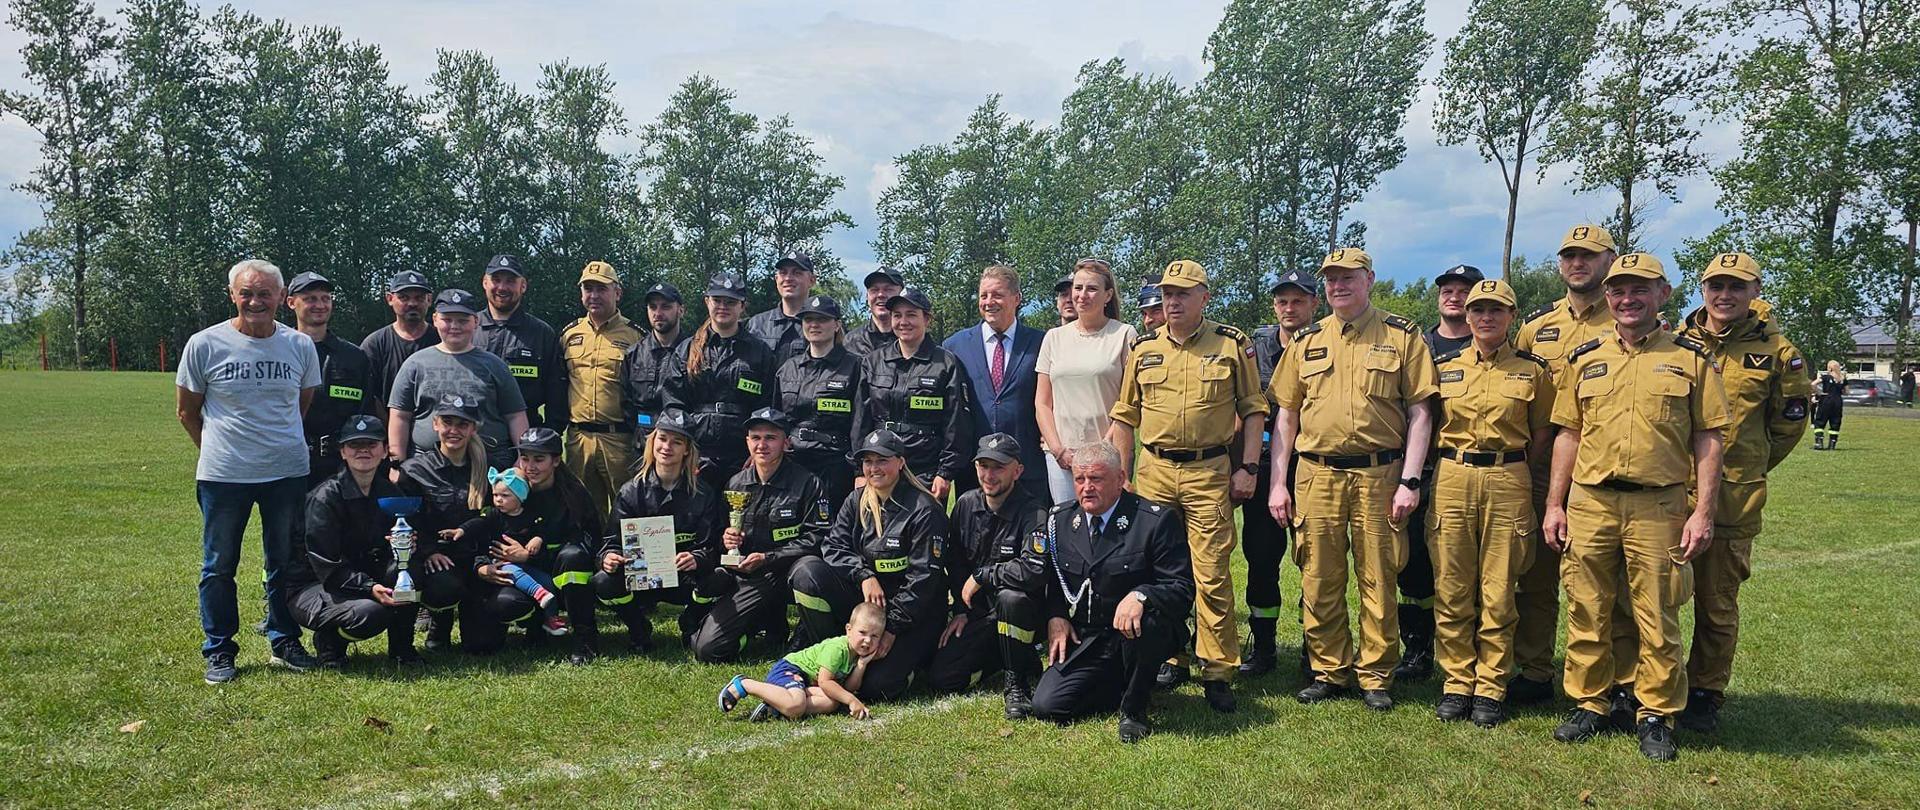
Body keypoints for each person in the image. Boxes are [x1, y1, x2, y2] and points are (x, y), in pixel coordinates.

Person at [1541, 252, 1728, 762]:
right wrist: (1555, 504)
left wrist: (1702, 511)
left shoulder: (1690, 359)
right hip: (1591, 502)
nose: (1628, 299)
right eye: (1619, 290)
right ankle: (1590, 702)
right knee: (1587, 607)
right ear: (1608, 296)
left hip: (1658, 504)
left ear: (1663, 294)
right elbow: (1568, 434)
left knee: (1658, 612)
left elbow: (1709, 438)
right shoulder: (1585, 359)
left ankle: (1656, 713)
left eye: (1640, 289)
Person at [1267, 247, 1438, 712]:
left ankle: (1376, 674)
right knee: (1318, 575)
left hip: (1380, 473)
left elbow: (1421, 413)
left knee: (1378, 575)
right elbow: (1286, 416)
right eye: (1331, 279)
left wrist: (1410, 480)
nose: (1338, 286)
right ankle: (1329, 670)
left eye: (1348, 277)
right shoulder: (1306, 341)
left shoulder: (1401, 336)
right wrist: (1278, 483)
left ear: (1370, 280)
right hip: (1316, 474)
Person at [1108, 260, 1264, 713]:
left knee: (1211, 571)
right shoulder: (1143, 348)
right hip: (1155, 471)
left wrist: (1248, 467)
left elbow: (1254, 409)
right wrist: (1123, 474)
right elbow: (1125, 416)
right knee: (1156, 570)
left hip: (1208, 471)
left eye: (1182, 294)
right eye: (1167, 294)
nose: (1172, 302)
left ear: (1204, 298)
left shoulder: (1232, 344)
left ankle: (1217, 669)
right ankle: (1169, 655)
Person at [1675, 253, 1810, 732]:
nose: (1725, 295)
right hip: (1669, 493)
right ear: (1702, 290)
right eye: (1716, 285)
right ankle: (1648, 685)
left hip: (1732, 499)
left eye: (1736, 286)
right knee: (1651, 598)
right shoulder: (1676, 341)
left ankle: (1704, 691)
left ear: (1755, 290)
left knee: (1717, 602)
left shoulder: (1778, 352)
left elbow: (1789, 425)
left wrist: (1746, 467)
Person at [176, 259, 324, 684]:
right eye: (247, 293)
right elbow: (187, 412)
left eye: (264, 294)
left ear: (281, 297)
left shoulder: (299, 345)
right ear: (232, 296)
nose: (255, 301)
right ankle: (219, 649)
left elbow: (301, 404)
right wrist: (222, 451)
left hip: (286, 473)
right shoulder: (204, 344)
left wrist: (274, 444)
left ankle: (284, 640)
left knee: (283, 562)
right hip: (224, 476)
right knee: (219, 565)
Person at [1426, 279, 1555, 727]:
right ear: (1467, 316)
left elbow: (1543, 433)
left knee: (1499, 589)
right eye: (1478, 310)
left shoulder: (1533, 370)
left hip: (1508, 476)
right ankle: (1457, 681)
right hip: (1453, 476)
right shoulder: (1443, 367)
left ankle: (1491, 686)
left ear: (1511, 317)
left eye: (1496, 310)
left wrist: (1513, 466)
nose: (1485, 317)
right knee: (1453, 585)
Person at [1014, 441, 1193, 743]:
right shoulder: (1060, 520)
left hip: (1140, 631)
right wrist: (1056, 616)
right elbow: (1055, 579)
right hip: (1089, 635)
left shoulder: (1154, 521)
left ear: (1120, 478)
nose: (1086, 488)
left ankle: (1134, 710)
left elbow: (1182, 587)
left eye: (1096, 478)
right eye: (1079, 479)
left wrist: (1141, 596)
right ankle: (1122, 682)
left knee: (1145, 623)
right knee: (1048, 706)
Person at [1509, 224, 1620, 705]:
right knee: (1534, 578)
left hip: (1602, 473)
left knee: (1602, 585)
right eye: (1570, 256)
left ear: (1610, 261)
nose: (1578, 263)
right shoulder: (1537, 328)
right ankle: (1535, 671)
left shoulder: (1627, 320)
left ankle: (1611, 681)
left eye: (1589, 256)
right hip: (1540, 469)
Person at [789, 429, 950, 701]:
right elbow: (833, 546)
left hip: (912, 614)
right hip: (867, 607)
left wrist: (892, 628)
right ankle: (833, 657)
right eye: (868, 461)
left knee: (877, 688)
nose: (874, 468)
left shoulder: (924, 509)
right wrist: (863, 575)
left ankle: (918, 661)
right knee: (807, 572)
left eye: (882, 460)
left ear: (901, 462)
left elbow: (923, 580)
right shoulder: (856, 499)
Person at [292, 414, 464, 668]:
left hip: (358, 574)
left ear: (384, 451)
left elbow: (406, 534)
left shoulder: (389, 492)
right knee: (369, 614)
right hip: (314, 583)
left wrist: (417, 548)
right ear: (343, 452)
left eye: (371, 444)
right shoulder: (325, 497)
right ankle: (330, 643)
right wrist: (369, 587)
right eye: (354, 444)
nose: (363, 450)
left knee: (408, 571)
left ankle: (402, 649)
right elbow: (326, 564)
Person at [1395, 263, 1487, 683]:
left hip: (1464, 468)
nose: (1454, 296)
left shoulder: (1490, 343)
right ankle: (1417, 647)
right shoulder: (1417, 344)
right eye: (1447, 290)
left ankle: (1474, 650)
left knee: (1467, 566)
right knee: (1412, 561)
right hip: (1417, 467)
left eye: (1464, 290)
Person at [579, 409, 730, 663]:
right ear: (652, 442)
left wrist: (696, 558)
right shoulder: (630, 491)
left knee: (719, 578)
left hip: (683, 578)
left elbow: (711, 546)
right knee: (603, 582)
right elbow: (610, 542)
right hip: (642, 577)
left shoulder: (703, 494)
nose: (667, 447)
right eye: (662, 438)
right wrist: (609, 557)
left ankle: (691, 620)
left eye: (677, 442)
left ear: (687, 450)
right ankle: (638, 627)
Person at [691, 408, 832, 660]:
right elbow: (719, 536)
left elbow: (818, 537)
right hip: (752, 576)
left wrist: (768, 558)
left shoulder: (809, 483)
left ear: (786, 443)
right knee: (708, 649)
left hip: (790, 571)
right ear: (747, 442)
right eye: (755, 437)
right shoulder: (735, 484)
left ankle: (810, 635)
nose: (762, 445)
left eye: (770, 438)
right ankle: (759, 623)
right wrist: (727, 540)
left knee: (809, 570)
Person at [928, 434, 1048, 715]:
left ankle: (1016, 684)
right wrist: (961, 610)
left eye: (999, 467)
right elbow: (956, 563)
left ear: (1017, 471)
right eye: (983, 466)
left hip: (1022, 614)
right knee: (943, 679)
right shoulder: (965, 504)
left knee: (1011, 597)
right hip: (980, 615)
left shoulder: (1034, 512)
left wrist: (984, 576)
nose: (989, 475)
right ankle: (1012, 656)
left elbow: (1034, 569)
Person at [1240, 269, 1318, 676]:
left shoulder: (1326, 344)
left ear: (1314, 305)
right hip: (1265, 465)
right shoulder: (1255, 350)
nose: (1290, 308)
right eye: (1283, 301)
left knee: (1315, 563)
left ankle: (1315, 648)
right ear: (1274, 306)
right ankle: (1264, 647)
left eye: (1298, 301)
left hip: (1312, 467)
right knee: (1261, 558)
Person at [462, 428, 597, 656]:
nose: (530, 466)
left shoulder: (574, 495)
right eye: (525, 458)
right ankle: (534, 627)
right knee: (483, 640)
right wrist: (481, 566)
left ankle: (585, 637)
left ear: (556, 460)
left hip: (559, 579)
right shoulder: (507, 488)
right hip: (513, 576)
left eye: (539, 459)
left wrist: (529, 556)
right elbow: (482, 532)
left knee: (573, 557)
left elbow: (588, 544)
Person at [850, 287, 972, 502]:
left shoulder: (946, 363)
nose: (903, 322)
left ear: (927, 319)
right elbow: (860, 420)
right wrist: (860, 470)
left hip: (926, 471)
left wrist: (946, 472)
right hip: (880, 467)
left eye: (911, 315)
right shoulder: (873, 362)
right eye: (897, 315)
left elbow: (956, 422)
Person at [662, 271, 779, 492]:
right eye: (717, 300)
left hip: (742, 457)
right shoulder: (686, 350)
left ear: (742, 306)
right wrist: (686, 451)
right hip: (697, 454)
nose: (723, 307)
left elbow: (767, 405)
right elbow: (674, 404)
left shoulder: (760, 352)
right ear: (707, 301)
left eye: (731, 302)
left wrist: (757, 450)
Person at [388, 289, 530, 469]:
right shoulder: (415, 364)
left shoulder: (495, 365)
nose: (454, 326)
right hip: (427, 466)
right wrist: (396, 463)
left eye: (463, 320)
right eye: (447, 320)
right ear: (435, 320)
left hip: (488, 463)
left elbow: (515, 415)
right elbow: (400, 416)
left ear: (476, 321)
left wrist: (522, 457)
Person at [1036, 258, 1136, 505]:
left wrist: (1103, 448)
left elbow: (1129, 402)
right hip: (1062, 459)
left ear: (1108, 295)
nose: (1082, 295)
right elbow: (1042, 403)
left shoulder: (1124, 335)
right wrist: (1058, 450)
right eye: (1078, 288)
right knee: (1068, 522)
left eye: (1091, 289)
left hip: (1109, 454)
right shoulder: (1053, 338)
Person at [944, 265, 1046, 498]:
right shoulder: (955, 346)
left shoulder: (1041, 343)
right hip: (975, 471)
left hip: (1027, 467)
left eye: (997, 295)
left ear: (1017, 298)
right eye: (984, 296)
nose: (989, 302)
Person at [396, 397, 489, 649]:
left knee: (483, 645)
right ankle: (440, 618)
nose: (453, 430)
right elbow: (406, 522)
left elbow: (495, 518)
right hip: (438, 557)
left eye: (462, 424)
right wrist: (428, 551)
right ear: (435, 424)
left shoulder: (487, 467)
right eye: (447, 422)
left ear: (473, 428)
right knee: (443, 587)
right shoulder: (414, 470)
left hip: (477, 559)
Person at [562, 261, 643, 518]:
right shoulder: (569, 334)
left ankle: (624, 548)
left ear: (617, 293)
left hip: (619, 440)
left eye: (601, 289)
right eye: (588, 289)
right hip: (579, 440)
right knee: (582, 511)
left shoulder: (635, 336)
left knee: (628, 509)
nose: (594, 295)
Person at [286, 271, 379, 487]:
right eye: (310, 299)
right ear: (291, 302)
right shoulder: (280, 352)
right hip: (289, 462)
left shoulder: (353, 356)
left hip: (341, 465)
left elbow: (365, 411)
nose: (320, 305)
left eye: (325, 298)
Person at [719, 602, 884, 722]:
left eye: (875, 636)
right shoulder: (838, 648)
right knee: (797, 705)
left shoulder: (856, 654)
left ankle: (776, 708)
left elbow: (848, 688)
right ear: (848, 630)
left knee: (832, 703)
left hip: (804, 683)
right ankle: (745, 684)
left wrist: (862, 665)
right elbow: (825, 682)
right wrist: (852, 700)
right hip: (791, 669)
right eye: (862, 632)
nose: (867, 640)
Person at [457, 467, 568, 637]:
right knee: (512, 572)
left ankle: (551, 618)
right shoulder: (493, 514)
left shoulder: (532, 516)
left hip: (526, 563)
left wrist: (537, 539)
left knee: (547, 581)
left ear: (520, 497)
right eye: (495, 495)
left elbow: (542, 530)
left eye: (505, 495)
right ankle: (536, 592)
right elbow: (478, 523)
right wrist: (462, 530)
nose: (498, 500)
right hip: (501, 563)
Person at [776, 295, 862, 510]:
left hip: (835, 464)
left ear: (837, 325)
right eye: (808, 319)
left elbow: (860, 422)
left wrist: (859, 470)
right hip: (793, 462)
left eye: (822, 319)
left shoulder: (855, 367)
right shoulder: (788, 369)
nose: (814, 325)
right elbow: (776, 418)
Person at [476, 254, 567, 429]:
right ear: (485, 283)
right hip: (473, 436)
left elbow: (556, 396)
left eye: (510, 281)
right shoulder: (467, 329)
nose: (502, 287)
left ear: (523, 285)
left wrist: (549, 437)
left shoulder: (542, 333)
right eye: (496, 280)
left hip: (524, 436)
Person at [620, 281, 688, 453]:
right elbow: (626, 403)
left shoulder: (694, 353)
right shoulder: (633, 354)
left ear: (681, 310)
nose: (658, 313)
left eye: (666, 307)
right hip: (642, 446)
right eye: (653, 307)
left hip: (679, 446)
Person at [359, 270, 439, 406]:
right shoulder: (375, 344)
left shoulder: (442, 340)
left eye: (419, 298)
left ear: (429, 300)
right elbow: (369, 393)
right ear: (390, 299)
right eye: (404, 298)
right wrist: (390, 419)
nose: (412, 303)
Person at [747, 251, 817, 367]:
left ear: (812, 280)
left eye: (797, 273)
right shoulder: (756, 325)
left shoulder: (823, 326)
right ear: (776, 279)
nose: (788, 278)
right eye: (783, 273)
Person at [844, 267, 904, 357]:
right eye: (874, 290)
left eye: (888, 289)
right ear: (867, 297)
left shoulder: (912, 339)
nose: (881, 295)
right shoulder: (851, 341)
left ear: (902, 295)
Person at [1812, 360, 1846, 449]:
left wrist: (1819, 393)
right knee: (1835, 422)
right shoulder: (1842, 379)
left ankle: (1819, 443)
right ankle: (1832, 445)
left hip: (1826, 400)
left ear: (1830, 368)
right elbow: (1846, 392)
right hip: (1838, 401)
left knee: (1820, 421)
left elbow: (1813, 384)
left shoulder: (1826, 377)